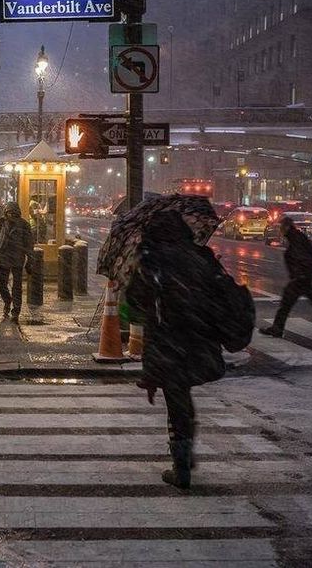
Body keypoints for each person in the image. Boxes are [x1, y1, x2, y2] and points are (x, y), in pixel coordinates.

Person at [126, 210, 226, 491]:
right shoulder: (201, 256)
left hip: (168, 339)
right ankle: (185, 451)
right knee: (183, 394)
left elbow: (134, 304)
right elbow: (218, 292)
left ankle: (181, 464)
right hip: (200, 336)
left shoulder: (152, 260)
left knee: (176, 396)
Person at [0, 201, 34, 323]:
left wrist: (30, 259)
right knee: (1, 281)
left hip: (17, 258)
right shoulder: (0, 222)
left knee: (17, 286)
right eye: (9, 213)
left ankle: (16, 310)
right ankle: (7, 300)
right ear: (6, 212)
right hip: (3, 257)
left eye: (13, 213)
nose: (11, 215)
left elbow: (29, 243)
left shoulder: (24, 225)